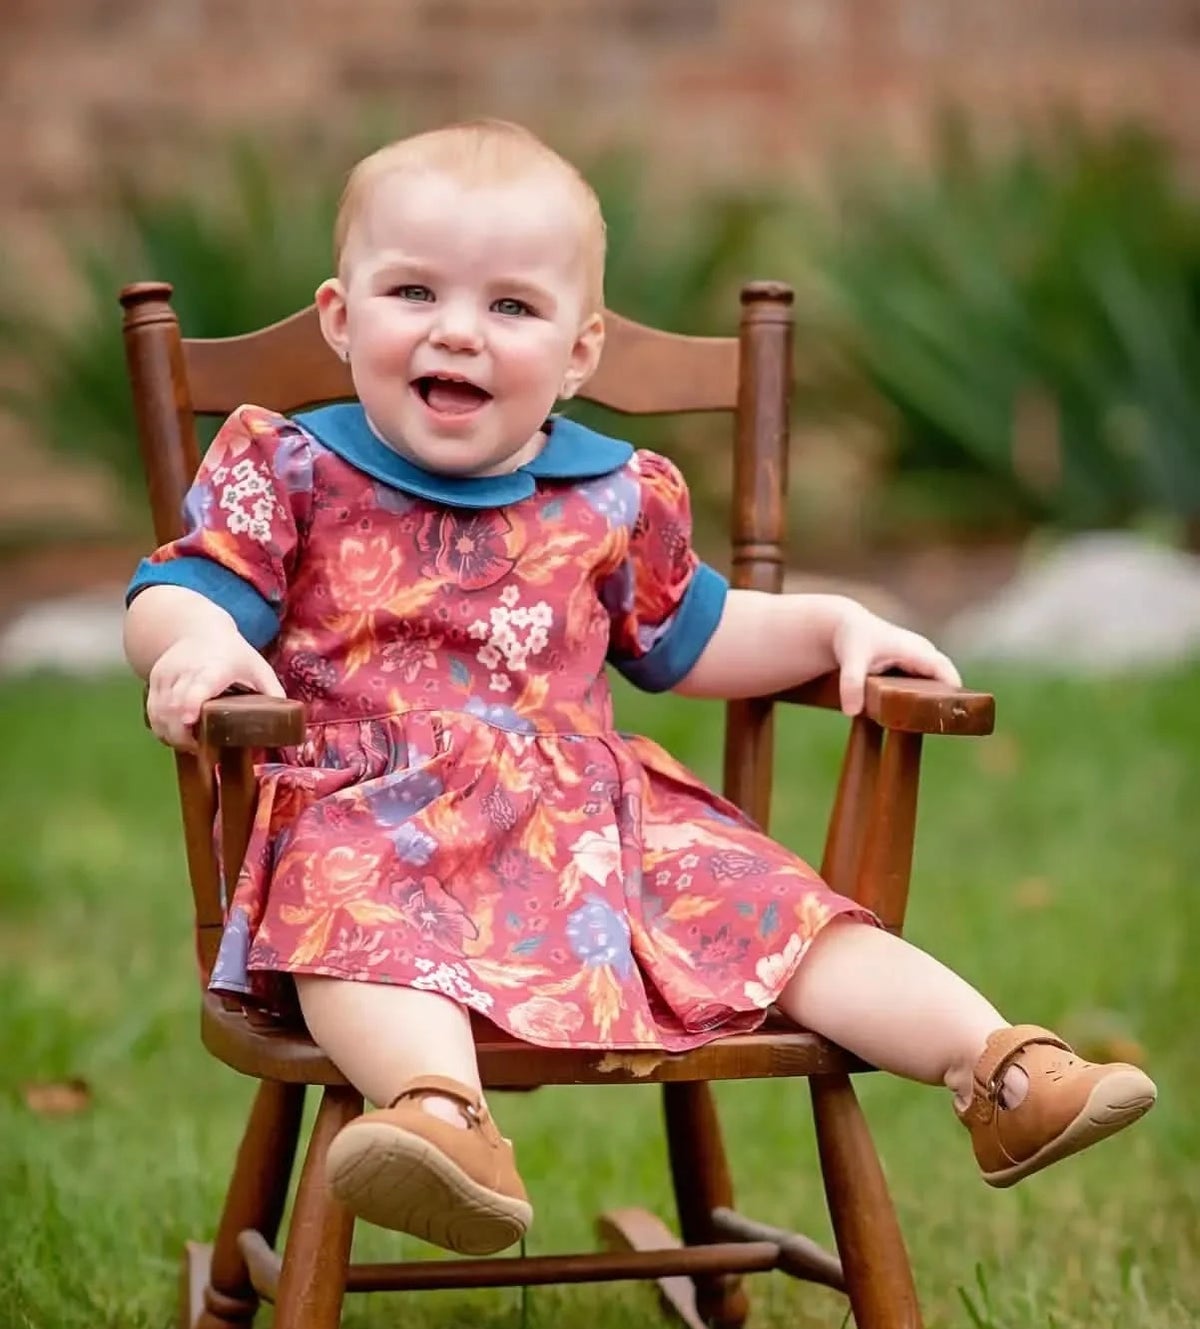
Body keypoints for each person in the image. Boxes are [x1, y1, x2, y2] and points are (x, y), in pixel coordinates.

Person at [122, 120, 1155, 1258]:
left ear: (579, 352)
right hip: (377, 820)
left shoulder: (613, 495)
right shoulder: (290, 469)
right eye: (413, 291)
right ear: (341, 317)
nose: (457, 331)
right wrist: (195, 647)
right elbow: (189, 587)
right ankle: (437, 1116)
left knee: (782, 913)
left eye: (512, 307)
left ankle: (1000, 1068)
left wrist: (837, 624)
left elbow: (698, 634)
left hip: (598, 831)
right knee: (353, 923)